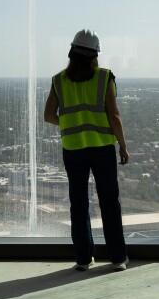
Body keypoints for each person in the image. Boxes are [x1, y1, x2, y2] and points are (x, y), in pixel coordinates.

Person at [44, 29, 130, 271]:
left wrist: (71, 123)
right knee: (109, 202)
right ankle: (117, 258)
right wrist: (122, 145)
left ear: (72, 53)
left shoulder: (59, 80)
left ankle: (83, 258)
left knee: (79, 203)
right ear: (95, 55)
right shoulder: (104, 77)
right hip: (102, 147)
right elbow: (113, 116)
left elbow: (49, 115)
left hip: (73, 149)